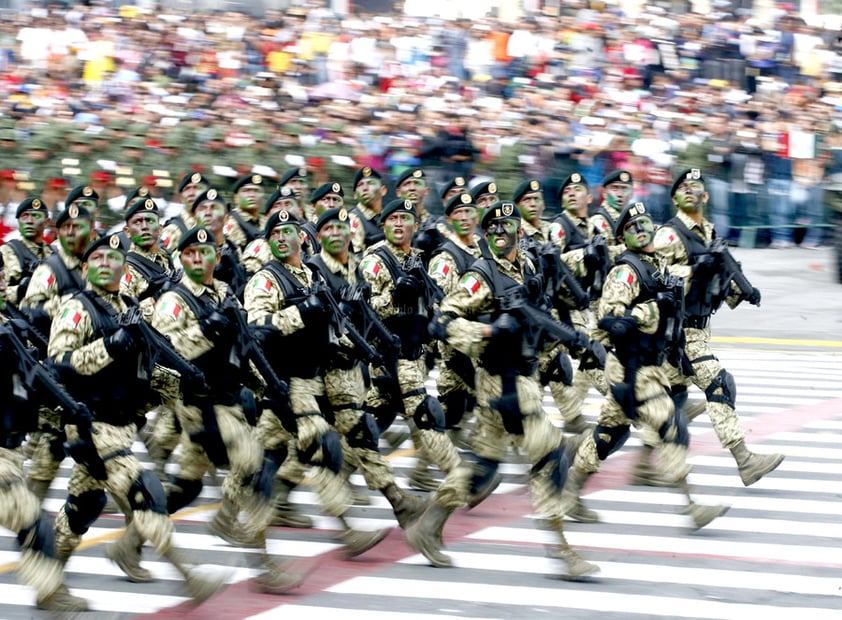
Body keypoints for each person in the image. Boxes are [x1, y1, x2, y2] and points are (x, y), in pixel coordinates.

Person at [410, 201, 598, 579]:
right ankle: (561, 549)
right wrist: (488, 331)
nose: (499, 232)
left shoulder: (527, 266)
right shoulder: (481, 276)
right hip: (501, 383)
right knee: (550, 455)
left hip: (525, 375)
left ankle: (427, 525)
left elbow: (539, 315)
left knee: (483, 467)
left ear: (519, 230)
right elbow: (442, 322)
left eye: (506, 225)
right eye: (492, 227)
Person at [48, 233, 226, 605]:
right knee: (146, 491)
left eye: (113, 258)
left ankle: (48, 582)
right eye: (96, 258)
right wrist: (108, 347)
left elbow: (148, 365)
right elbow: (59, 366)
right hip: (90, 422)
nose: (105, 263)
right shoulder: (76, 309)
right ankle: (189, 576)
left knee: (84, 506)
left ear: (123, 268)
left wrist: (180, 383)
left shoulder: (128, 309)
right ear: (84, 268)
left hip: (120, 423)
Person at [152, 226, 309, 594]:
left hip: (227, 397)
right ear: (181, 257)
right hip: (198, 404)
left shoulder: (222, 293)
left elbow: (242, 346)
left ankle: (129, 543)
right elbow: (164, 355)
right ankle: (263, 561)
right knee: (253, 464)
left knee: (186, 488)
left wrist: (269, 386)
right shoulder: (174, 301)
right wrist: (207, 330)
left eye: (205, 253)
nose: (197, 259)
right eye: (189, 253)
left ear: (217, 258)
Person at [559, 201, 729, 530]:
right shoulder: (626, 271)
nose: (642, 230)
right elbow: (610, 320)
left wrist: (705, 266)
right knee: (671, 425)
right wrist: (650, 311)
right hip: (631, 368)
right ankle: (692, 504)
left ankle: (570, 492)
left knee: (610, 434)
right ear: (624, 237)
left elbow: (680, 277)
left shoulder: (656, 263)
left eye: (646, 224)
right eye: (633, 228)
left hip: (647, 364)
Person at [244, 209, 390, 554]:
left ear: (302, 237)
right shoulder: (267, 280)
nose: (282, 238)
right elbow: (257, 327)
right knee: (321, 448)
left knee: (267, 456)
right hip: (284, 380)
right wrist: (301, 312)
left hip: (311, 379)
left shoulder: (311, 276)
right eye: (275, 234)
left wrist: (360, 348)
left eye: (288, 231)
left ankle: (243, 519)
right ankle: (345, 529)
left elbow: (331, 325)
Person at [653, 168, 784, 486]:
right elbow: (655, 280)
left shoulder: (709, 233)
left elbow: (717, 284)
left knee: (672, 402)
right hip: (677, 331)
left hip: (697, 328)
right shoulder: (669, 235)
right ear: (674, 199)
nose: (689, 190)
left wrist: (742, 289)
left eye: (695, 186)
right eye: (682, 187)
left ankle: (649, 464)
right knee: (719, 383)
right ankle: (744, 460)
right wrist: (694, 269)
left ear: (706, 196)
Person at [306, 206, 426, 526]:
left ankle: (396, 500)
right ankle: (347, 524)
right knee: (299, 450)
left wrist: (379, 346)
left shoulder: (353, 269)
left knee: (360, 432)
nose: (336, 234)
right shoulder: (311, 271)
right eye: (328, 229)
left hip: (345, 369)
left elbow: (365, 315)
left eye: (342, 228)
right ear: (319, 236)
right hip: (312, 372)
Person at [0, 254, 87, 612]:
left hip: (10, 446)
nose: (1, 277)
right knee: (36, 523)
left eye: (0, 271)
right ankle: (52, 594)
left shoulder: (10, 319)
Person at [360, 198, 462, 491]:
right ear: (383, 225)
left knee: (373, 421)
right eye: (393, 219)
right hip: (386, 353)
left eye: (406, 219)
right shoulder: (375, 259)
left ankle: (339, 465)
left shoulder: (420, 258)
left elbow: (434, 300)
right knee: (424, 414)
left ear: (415, 226)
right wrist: (394, 296)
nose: (399, 224)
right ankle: (459, 477)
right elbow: (362, 309)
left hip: (414, 351)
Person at [21, 197, 95, 503]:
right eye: (65, 227)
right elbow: (30, 311)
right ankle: (30, 515)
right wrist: (71, 302)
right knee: (51, 446)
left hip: (88, 369)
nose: (72, 232)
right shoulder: (50, 269)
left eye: (79, 227)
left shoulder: (94, 264)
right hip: (56, 369)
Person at [0, 196, 54, 308]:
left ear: (47, 222)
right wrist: (21, 289)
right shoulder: (6, 252)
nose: (29, 221)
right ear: (18, 221)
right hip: (17, 318)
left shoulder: (54, 253)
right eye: (24, 216)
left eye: (36, 216)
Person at [160, 172, 209, 252]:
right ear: (181, 198)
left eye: (197, 188)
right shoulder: (174, 230)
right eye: (187, 189)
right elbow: (158, 258)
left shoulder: (215, 226)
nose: (191, 193)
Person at [224, 173, 268, 253]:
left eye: (256, 191)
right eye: (246, 191)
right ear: (236, 198)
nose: (252, 195)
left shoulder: (266, 222)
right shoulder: (231, 221)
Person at [348, 166, 387, 254]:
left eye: (371, 183)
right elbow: (355, 257)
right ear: (355, 195)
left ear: (383, 190)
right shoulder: (353, 219)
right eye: (360, 185)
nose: (365, 188)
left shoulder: (389, 217)